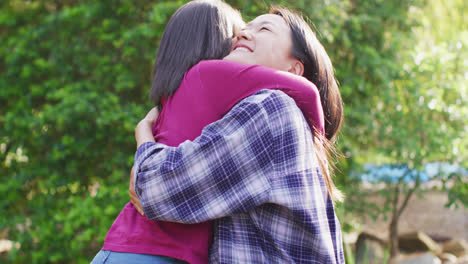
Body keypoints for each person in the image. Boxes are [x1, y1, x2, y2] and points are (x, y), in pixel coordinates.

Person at [93, 1, 329, 263]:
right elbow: (307, 91)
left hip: (147, 247)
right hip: (148, 249)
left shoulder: (265, 106)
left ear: (295, 68)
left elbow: (154, 187)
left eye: (264, 29)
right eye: (237, 32)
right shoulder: (209, 78)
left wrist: (143, 140)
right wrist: (318, 125)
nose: (242, 35)